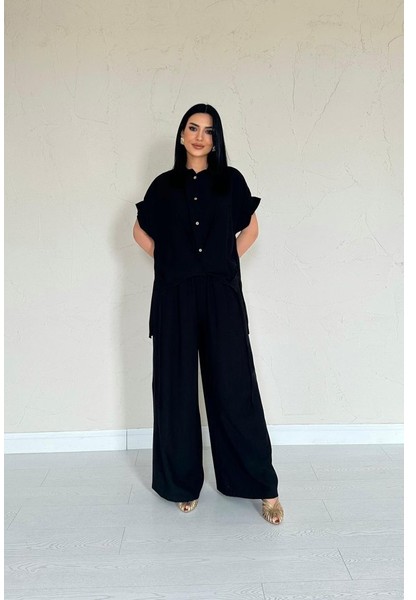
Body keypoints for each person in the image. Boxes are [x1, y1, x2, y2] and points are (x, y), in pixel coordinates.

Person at [133, 103, 284, 525]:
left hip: (221, 296)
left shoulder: (230, 181)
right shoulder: (163, 186)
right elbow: (139, 229)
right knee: (176, 391)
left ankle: (262, 486)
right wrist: (174, 263)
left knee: (235, 388)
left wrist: (222, 263)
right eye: (193, 128)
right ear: (182, 135)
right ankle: (182, 484)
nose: (200, 136)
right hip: (175, 297)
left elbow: (251, 228)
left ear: (215, 140)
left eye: (208, 130)